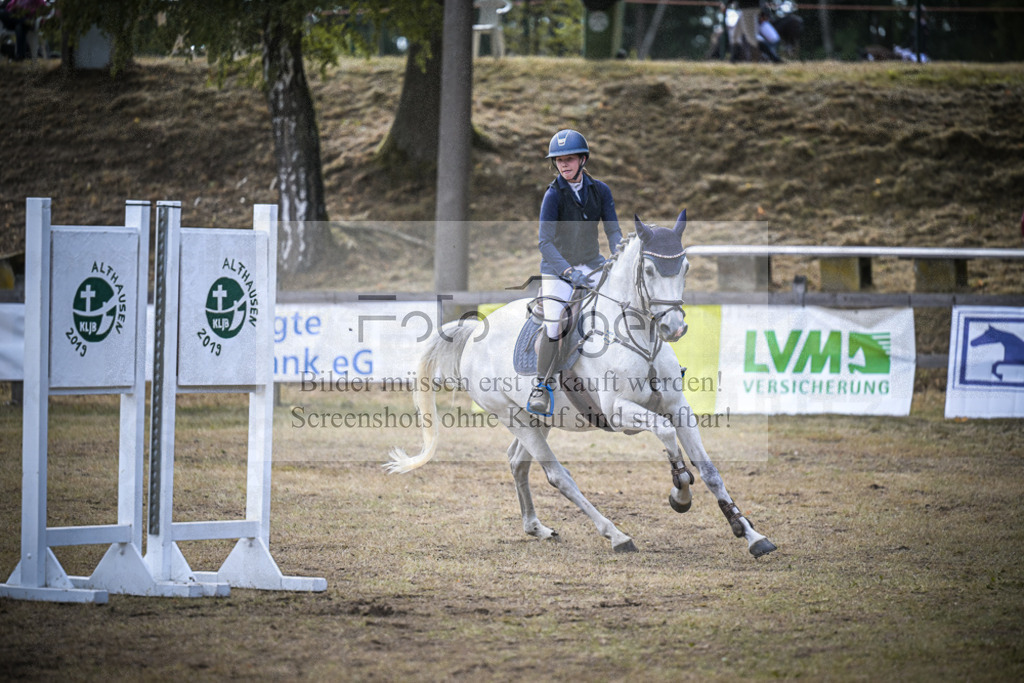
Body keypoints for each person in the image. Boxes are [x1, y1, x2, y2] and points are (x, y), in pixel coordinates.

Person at [528, 129, 621, 416]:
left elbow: (613, 230)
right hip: (558, 269)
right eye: (558, 161)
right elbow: (544, 243)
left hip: (593, 263)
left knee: (624, 304)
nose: (563, 165)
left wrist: (617, 257)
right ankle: (541, 386)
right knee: (555, 323)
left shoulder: (601, 190)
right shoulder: (553, 195)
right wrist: (568, 271)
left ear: (582, 159)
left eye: (569, 159)